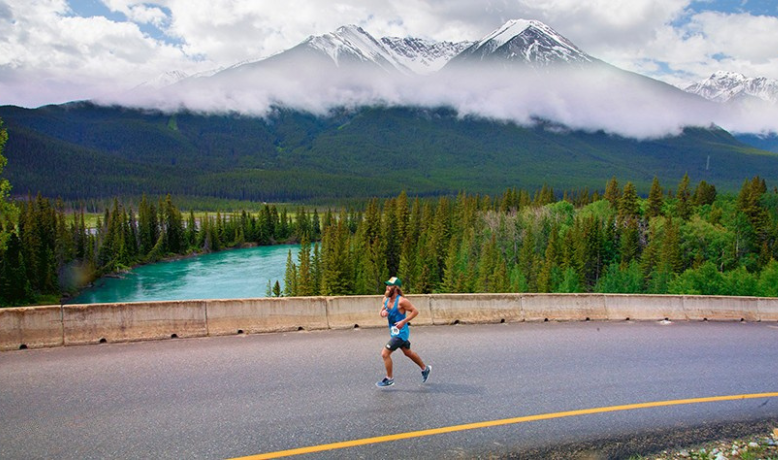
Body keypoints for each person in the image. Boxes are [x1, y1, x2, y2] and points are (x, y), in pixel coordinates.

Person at [376, 276, 431, 387]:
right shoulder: (386, 299)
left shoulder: (402, 301)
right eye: (387, 285)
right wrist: (383, 314)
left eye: (390, 286)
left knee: (384, 354)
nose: (387, 287)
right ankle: (425, 369)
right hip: (394, 332)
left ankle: (389, 378)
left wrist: (403, 321)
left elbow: (415, 312)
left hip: (401, 333)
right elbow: (381, 311)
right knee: (408, 352)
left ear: (396, 288)